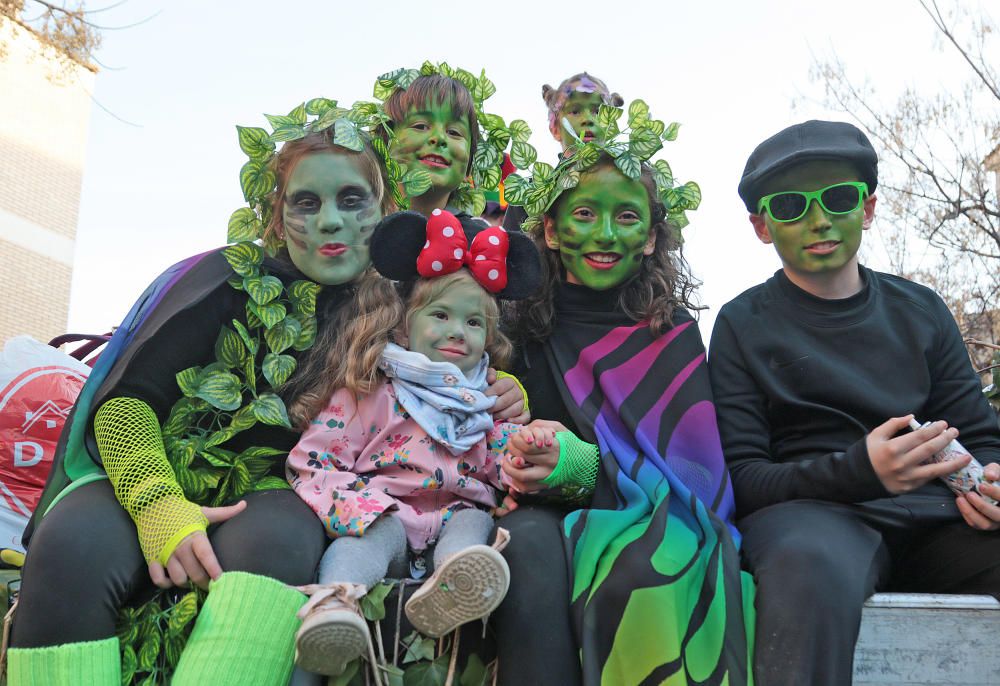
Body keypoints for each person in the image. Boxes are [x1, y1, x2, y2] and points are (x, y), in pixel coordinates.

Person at [7, 103, 523, 685]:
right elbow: (130, 402)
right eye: (307, 202)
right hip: (154, 476)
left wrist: (506, 394)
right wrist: (156, 504)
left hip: (286, 496)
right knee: (75, 540)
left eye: (351, 200)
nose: (330, 221)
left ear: (383, 210)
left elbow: (460, 364)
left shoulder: (405, 310)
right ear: (277, 217)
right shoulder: (223, 280)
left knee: (280, 543)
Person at [709, 119, 1000, 685]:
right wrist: (860, 471)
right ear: (761, 225)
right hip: (814, 521)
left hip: (940, 520)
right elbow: (742, 478)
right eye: (791, 205)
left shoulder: (921, 310)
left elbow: (979, 431)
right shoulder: (742, 324)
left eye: (838, 198)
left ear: (866, 208)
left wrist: (992, 477)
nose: (818, 220)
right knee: (806, 570)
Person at [497, 105, 754, 685]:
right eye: (585, 214)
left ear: (650, 238)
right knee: (528, 550)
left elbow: (697, 469)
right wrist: (529, 459)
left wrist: (580, 465)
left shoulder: (672, 329)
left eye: (627, 217)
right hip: (538, 509)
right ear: (551, 231)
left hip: (657, 513)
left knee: (653, 562)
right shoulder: (516, 326)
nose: (606, 234)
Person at [286, 207, 541, 676]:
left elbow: (507, 460)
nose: (455, 331)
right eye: (440, 315)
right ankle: (335, 606)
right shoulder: (371, 389)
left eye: (473, 323)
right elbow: (315, 458)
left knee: (470, 530)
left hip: (453, 516)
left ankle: (452, 587)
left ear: (488, 339)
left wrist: (530, 457)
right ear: (406, 326)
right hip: (383, 511)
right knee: (363, 542)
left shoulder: (484, 402)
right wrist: (361, 505)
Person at [503, 72, 622, 233]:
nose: (588, 119)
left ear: (611, 126)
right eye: (575, 111)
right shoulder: (530, 192)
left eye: (597, 111)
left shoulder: (629, 186)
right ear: (555, 128)